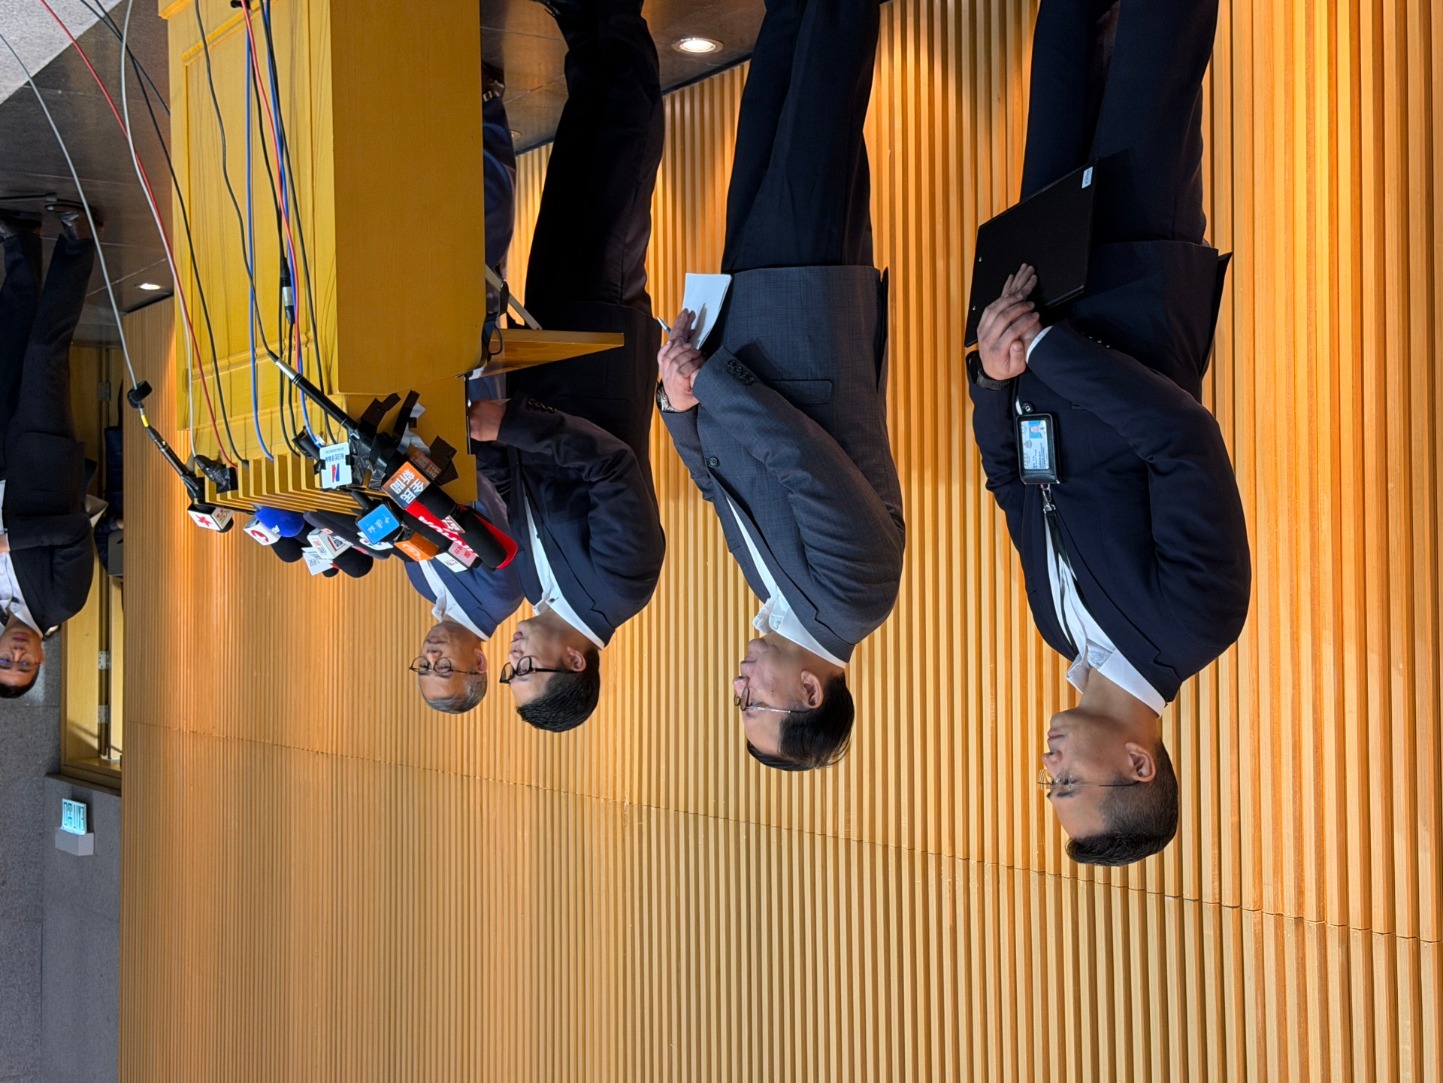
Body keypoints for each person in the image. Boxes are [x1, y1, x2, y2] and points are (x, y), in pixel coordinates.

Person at [967, 0, 1250, 865]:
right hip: (1133, 271)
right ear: (1137, 763)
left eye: (1046, 785)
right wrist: (1047, 351)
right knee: (1156, 42)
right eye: (1067, 784)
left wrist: (994, 378)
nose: (1048, 767)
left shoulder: (1057, 628)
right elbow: (1180, 438)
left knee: (1063, 40)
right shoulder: (1198, 621)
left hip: (1038, 281)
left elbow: (1012, 484)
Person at [655, 0, 904, 771]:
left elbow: (718, 483)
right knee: (823, 86)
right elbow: (803, 462)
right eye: (751, 703)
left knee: (769, 101)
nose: (737, 687)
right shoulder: (857, 597)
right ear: (807, 691)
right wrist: (707, 382)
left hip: (750, 319)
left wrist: (678, 407)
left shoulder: (779, 599)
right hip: (808, 304)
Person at [466, 0, 666, 733]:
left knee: (574, 166)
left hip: (544, 351)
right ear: (575, 662)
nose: (513, 658)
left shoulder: (529, 582)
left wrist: (481, 446)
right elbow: (609, 468)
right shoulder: (624, 582)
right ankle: (616, 18)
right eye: (529, 671)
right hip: (598, 343)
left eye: (509, 673)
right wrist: (510, 425)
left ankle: (586, 29)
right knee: (617, 166)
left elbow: (516, 483)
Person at [0, 203, 99, 699]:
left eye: (5, 661)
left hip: (3, 458)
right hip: (43, 461)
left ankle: (20, 240)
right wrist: (10, 543)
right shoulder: (63, 603)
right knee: (45, 353)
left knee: (10, 348)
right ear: (42, 661)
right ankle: (78, 242)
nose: (16, 654)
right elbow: (76, 530)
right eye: (24, 665)